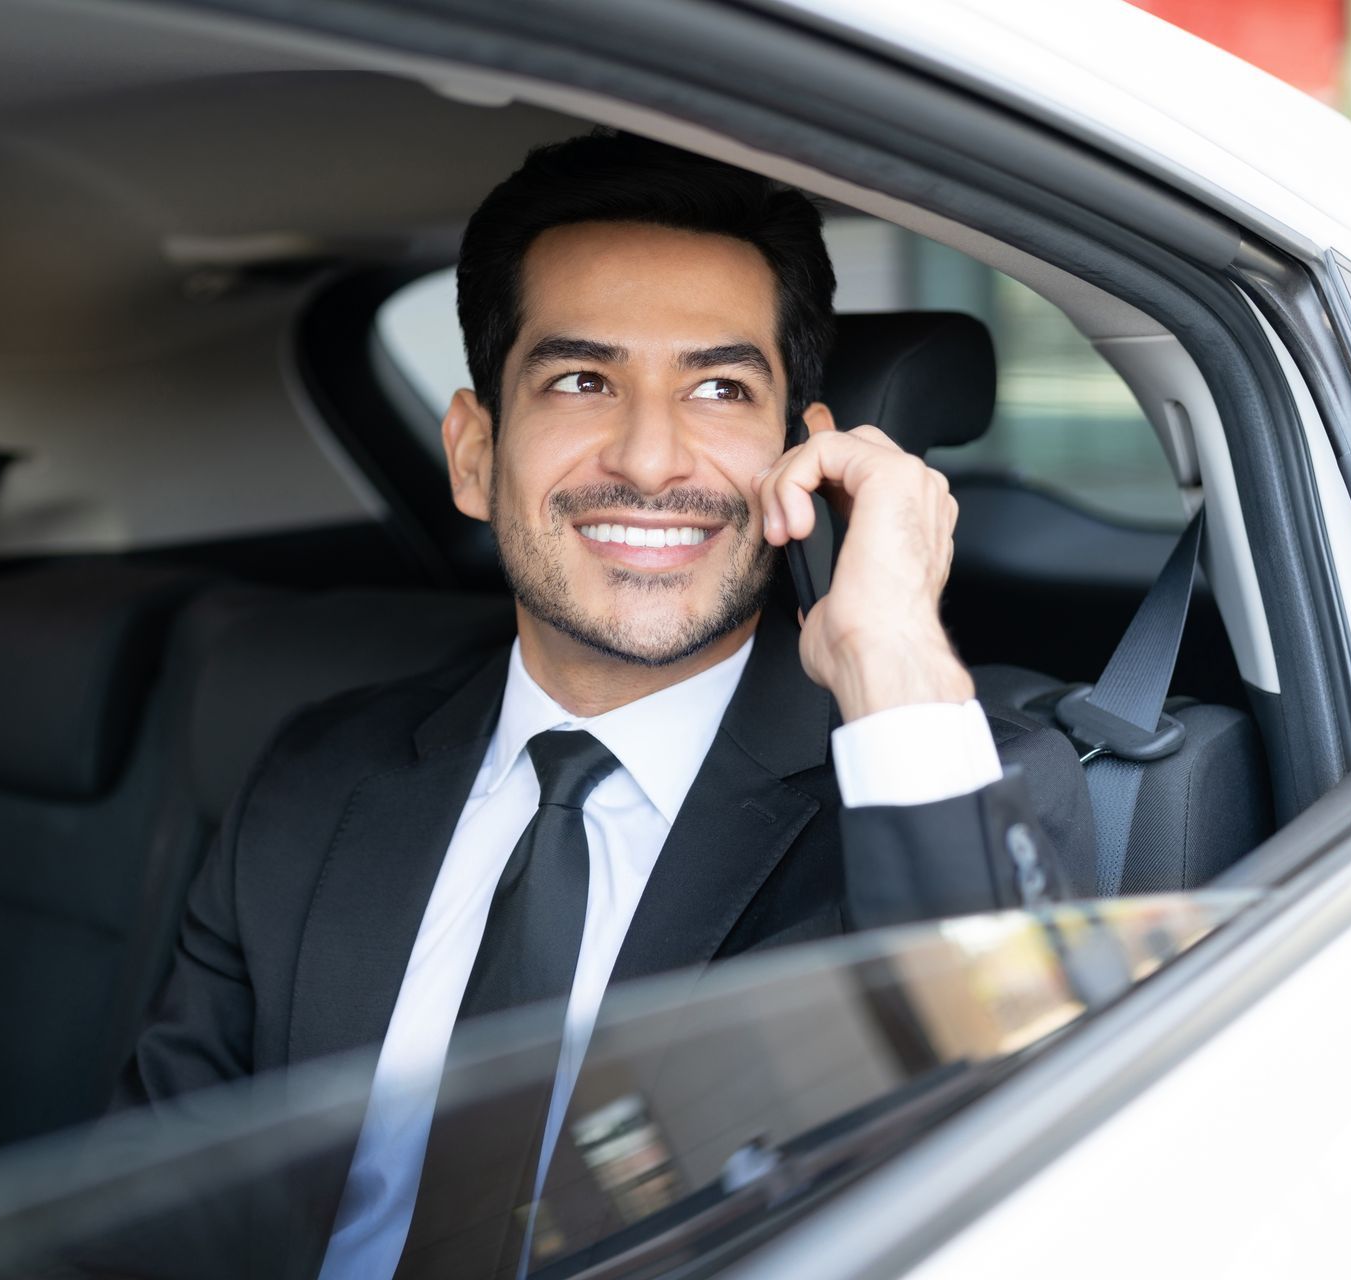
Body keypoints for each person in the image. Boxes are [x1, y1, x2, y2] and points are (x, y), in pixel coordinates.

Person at [121, 131, 1090, 1278]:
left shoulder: (933, 789)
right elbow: (149, 1230)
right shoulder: (318, 775)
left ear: (804, 457)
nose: (646, 456)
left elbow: (1014, 1189)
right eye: (583, 379)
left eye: (720, 388)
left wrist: (886, 647)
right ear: (476, 453)